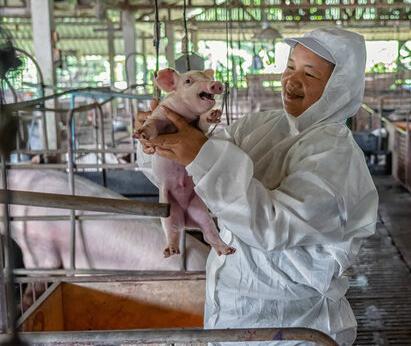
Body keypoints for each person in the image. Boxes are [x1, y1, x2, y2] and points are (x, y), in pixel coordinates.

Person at [136, 27, 378, 345]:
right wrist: (158, 137)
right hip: (232, 315)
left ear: (339, 88)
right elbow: (183, 174)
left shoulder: (335, 156)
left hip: (294, 327)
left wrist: (199, 151)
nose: (292, 80)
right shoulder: (260, 126)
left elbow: (270, 227)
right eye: (290, 66)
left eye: (310, 74)